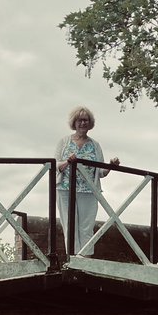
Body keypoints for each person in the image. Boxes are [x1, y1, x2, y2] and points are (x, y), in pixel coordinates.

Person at [55, 106, 120, 256]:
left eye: (86, 120)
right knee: (69, 225)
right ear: (74, 122)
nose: (83, 123)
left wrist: (111, 166)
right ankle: (72, 259)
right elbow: (56, 166)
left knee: (86, 227)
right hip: (65, 189)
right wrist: (68, 161)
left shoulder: (95, 145)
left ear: (90, 123)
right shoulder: (64, 142)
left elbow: (101, 172)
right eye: (80, 120)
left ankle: (85, 259)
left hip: (88, 190)